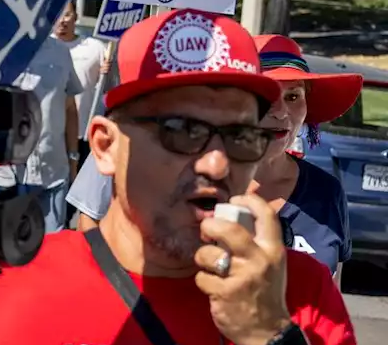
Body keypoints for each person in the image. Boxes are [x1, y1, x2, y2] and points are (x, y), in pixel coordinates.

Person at [0, 8, 372, 345]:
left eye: (242, 136)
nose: (215, 164)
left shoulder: (300, 293)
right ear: (105, 146)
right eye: (182, 132)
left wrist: (271, 337)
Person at [69, 33, 361, 278]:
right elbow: (94, 230)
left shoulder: (327, 192)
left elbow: (333, 300)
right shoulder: (189, 175)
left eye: (294, 97)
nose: (282, 112)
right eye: (269, 95)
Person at [0, 33, 82, 233]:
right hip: (6, 177)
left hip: (53, 174)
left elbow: (69, 108)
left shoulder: (61, 52)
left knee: (51, 254)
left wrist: (73, 159)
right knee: (8, 253)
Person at [54, 0, 111, 161]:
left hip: (85, 133)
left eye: (67, 15)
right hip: (51, 135)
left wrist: (108, 72)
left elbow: (109, 87)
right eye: (58, 15)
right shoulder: (44, 50)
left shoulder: (95, 48)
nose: (62, 20)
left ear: (75, 17)